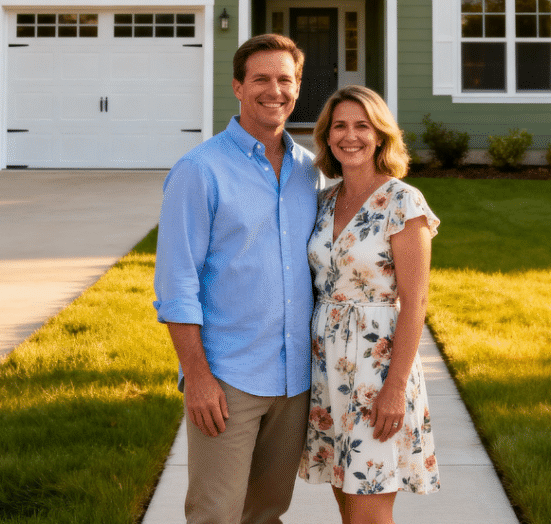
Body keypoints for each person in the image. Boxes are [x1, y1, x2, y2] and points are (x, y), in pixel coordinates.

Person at [153, 34, 320, 524]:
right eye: (261, 79)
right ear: (238, 87)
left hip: (294, 381)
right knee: (216, 515)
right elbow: (176, 287)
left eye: (284, 79)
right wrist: (198, 378)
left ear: (297, 87)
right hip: (228, 381)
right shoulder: (199, 171)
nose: (275, 90)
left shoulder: (310, 172)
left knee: (267, 513)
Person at [299, 85, 440, 524]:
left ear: (380, 136)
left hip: (376, 371)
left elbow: (415, 301)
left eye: (363, 126)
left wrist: (395, 388)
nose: (350, 136)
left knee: (369, 510)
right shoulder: (325, 201)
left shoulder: (403, 201)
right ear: (326, 137)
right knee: (346, 497)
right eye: (339, 125)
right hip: (326, 367)